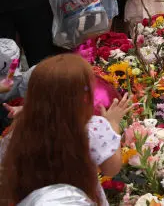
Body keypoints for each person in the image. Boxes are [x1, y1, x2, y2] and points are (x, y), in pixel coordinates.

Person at [0, 53, 130, 206]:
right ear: (84, 97)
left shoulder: (20, 129)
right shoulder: (93, 129)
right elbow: (111, 169)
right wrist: (112, 124)